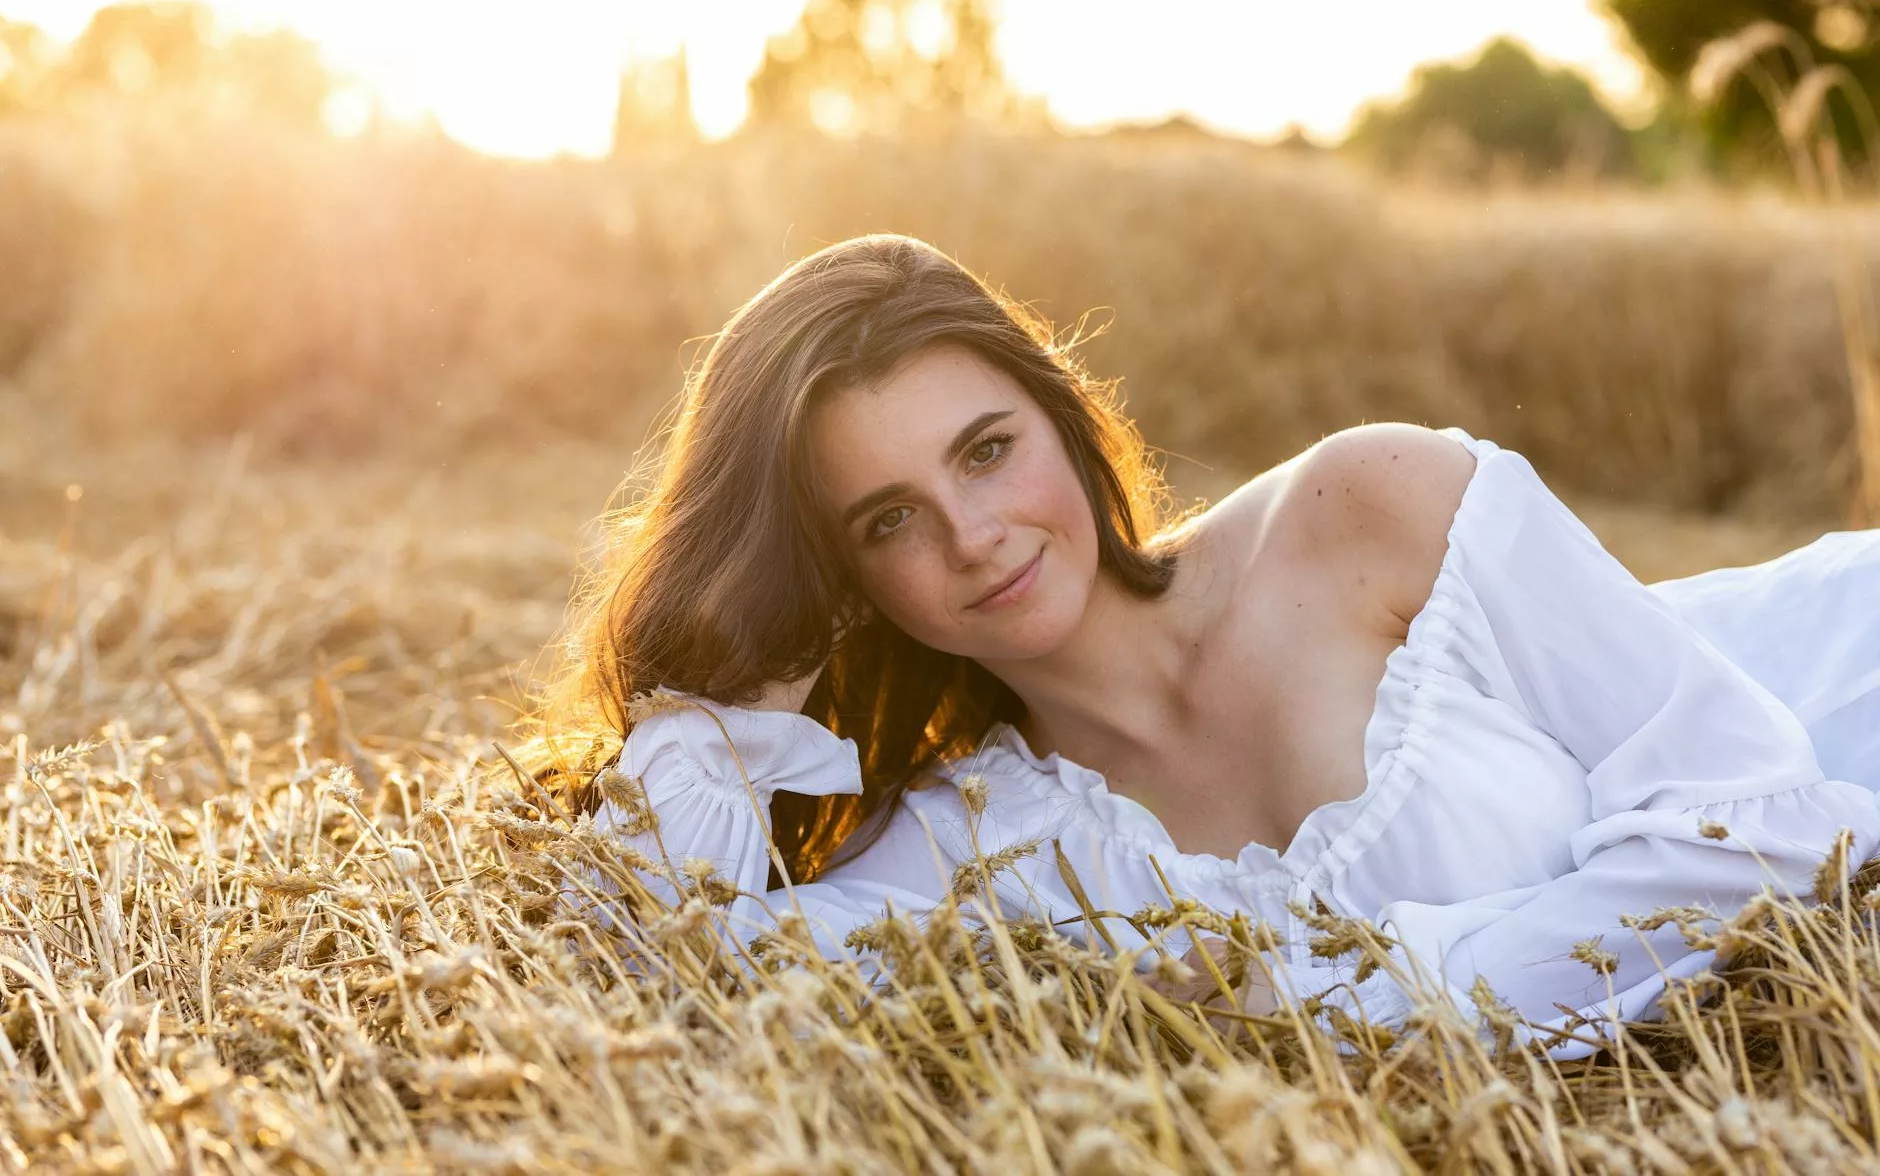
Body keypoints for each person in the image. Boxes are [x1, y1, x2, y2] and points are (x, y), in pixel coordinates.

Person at [541, 233, 1880, 1059]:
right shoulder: (978, 840)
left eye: (987, 452)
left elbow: (1759, 828)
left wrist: (1380, 1005)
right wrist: (726, 701)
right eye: (889, 520)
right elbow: (666, 978)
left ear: (1061, 418)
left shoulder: (1367, 505)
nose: (974, 536)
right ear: (838, 574)